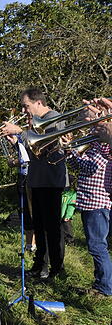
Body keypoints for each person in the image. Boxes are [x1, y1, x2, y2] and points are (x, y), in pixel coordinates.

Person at [3, 88, 68, 279]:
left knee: (52, 228)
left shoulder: (54, 117)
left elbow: (47, 144)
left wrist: (20, 132)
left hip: (50, 180)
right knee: (38, 226)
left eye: (26, 106)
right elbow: (33, 150)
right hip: (36, 179)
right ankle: (40, 265)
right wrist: (16, 142)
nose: (24, 111)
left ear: (38, 103)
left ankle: (56, 268)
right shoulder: (34, 123)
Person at [65, 108, 112, 296]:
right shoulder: (91, 143)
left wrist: (74, 152)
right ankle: (100, 282)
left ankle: (105, 287)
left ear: (94, 121)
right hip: (87, 199)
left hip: (97, 200)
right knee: (96, 245)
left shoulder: (103, 143)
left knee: (97, 245)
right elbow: (78, 167)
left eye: (83, 122)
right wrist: (69, 152)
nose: (80, 127)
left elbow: (94, 166)